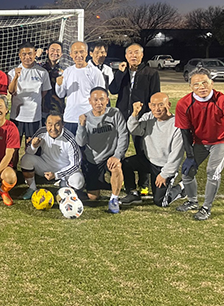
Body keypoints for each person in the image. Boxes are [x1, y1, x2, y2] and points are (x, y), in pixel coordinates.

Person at [175, 68, 224, 220]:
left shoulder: (221, 99)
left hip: (221, 140)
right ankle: (192, 201)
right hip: (200, 141)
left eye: (205, 82)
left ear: (212, 83)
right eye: (196, 84)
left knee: (213, 171)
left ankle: (206, 208)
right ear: (190, 87)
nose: (201, 87)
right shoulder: (183, 103)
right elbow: (185, 132)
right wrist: (190, 156)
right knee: (187, 173)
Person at [109, 43, 160, 195]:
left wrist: (148, 114)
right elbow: (113, 90)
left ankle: (143, 183)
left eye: (136, 52)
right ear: (126, 56)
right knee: (120, 148)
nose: (133, 55)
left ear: (142, 55)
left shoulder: (151, 73)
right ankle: (122, 178)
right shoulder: (122, 72)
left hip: (141, 118)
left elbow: (155, 95)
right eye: (130, 53)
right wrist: (119, 73)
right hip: (122, 116)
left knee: (142, 150)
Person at [121, 93, 185, 207]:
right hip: (148, 160)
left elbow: (176, 156)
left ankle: (181, 187)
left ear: (169, 105)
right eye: (154, 105)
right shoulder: (148, 117)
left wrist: (164, 174)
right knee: (126, 163)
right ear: (149, 106)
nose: (157, 109)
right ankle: (133, 193)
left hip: (163, 166)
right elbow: (134, 130)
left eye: (161, 105)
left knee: (160, 202)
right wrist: (135, 114)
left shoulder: (177, 126)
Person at [75, 87, 128, 214]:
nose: (99, 103)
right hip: (93, 159)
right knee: (93, 197)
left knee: (116, 167)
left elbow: (123, 135)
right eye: (95, 100)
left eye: (102, 99)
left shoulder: (115, 113)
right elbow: (80, 142)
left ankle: (114, 199)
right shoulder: (85, 118)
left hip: (110, 156)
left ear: (107, 100)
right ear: (90, 101)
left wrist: (117, 155)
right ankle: (103, 184)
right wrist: (82, 125)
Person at [20, 111, 84, 200]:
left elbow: (76, 165)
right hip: (46, 166)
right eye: (50, 124)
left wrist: (57, 175)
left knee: (78, 180)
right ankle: (32, 188)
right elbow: (29, 153)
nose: (53, 128)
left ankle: (64, 188)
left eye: (57, 124)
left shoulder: (70, 140)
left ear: (63, 124)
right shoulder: (41, 132)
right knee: (26, 159)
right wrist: (33, 146)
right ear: (46, 124)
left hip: (64, 170)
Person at [55, 41, 105, 136]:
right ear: (71, 54)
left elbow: (101, 95)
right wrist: (59, 85)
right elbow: (60, 94)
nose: (79, 55)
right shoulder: (67, 72)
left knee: (87, 149)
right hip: (70, 117)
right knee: (70, 149)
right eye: (76, 52)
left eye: (81, 52)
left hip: (88, 118)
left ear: (86, 53)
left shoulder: (95, 72)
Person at [8, 42, 51, 147]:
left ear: (35, 54)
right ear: (19, 55)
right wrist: (16, 78)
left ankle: (29, 164)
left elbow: (44, 92)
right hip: (16, 117)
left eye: (30, 54)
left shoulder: (42, 72)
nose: (27, 57)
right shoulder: (12, 72)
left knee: (32, 147)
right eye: (24, 54)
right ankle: (13, 164)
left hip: (34, 117)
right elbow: (11, 91)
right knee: (14, 147)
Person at [39, 41, 72, 123]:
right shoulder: (40, 68)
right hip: (42, 108)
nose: (55, 53)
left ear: (61, 54)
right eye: (52, 50)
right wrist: (36, 56)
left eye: (58, 51)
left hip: (58, 108)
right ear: (47, 51)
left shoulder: (65, 70)